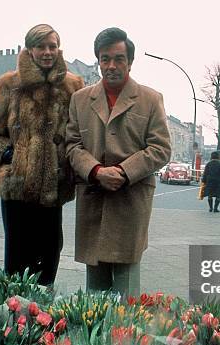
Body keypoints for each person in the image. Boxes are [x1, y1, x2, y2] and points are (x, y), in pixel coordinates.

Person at [66, 27, 171, 298]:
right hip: (93, 200)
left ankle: (125, 341)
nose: (111, 66)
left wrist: (124, 171)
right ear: (98, 61)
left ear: (130, 62)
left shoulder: (150, 99)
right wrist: (96, 170)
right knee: (94, 296)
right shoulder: (79, 99)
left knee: (127, 295)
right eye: (105, 59)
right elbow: (72, 145)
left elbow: (161, 148)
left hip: (130, 202)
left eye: (119, 58)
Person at [0, 24, 85, 285]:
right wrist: (10, 155)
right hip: (17, 188)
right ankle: (15, 317)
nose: (47, 52)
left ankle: (43, 316)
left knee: (50, 254)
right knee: (16, 259)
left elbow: (80, 133)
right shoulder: (9, 84)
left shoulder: (73, 85)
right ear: (30, 49)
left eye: (52, 46)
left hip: (53, 187)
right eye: (41, 46)